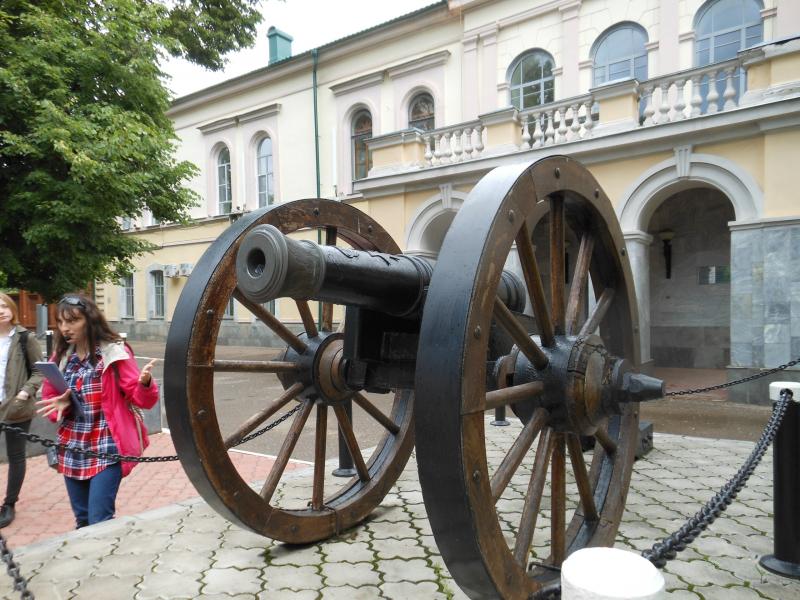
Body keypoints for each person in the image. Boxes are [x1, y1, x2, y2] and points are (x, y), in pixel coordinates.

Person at [37, 294, 158, 528]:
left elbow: (141, 399)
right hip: (72, 445)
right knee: (82, 520)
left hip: (107, 445)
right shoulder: (61, 357)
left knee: (99, 520)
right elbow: (50, 399)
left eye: (72, 321)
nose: (65, 328)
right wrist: (61, 405)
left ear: (90, 320)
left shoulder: (114, 353)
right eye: (61, 322)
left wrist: (145, 384)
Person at [0, 293, 44, 528]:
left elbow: (39, 371)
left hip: (16, 406)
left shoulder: (25, 338)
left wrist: (24, 393)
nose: (1, 311)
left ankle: (9, 504)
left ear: (12, 309)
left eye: (4, 306)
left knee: (16, 456)